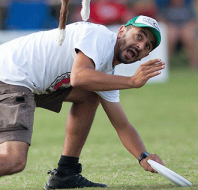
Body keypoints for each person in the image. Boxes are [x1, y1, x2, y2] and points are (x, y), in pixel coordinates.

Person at [0, 15, 165, 189]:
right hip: (10, 76)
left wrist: (144, 157)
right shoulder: (100, 37)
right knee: (14, 161)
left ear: (143, 57)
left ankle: (66, 173)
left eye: (148, 46)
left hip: (23, 81)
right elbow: (79, 77)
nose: (141, 46)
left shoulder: (105, 71)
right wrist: (132, 81)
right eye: (139, 36)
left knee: (89, 95)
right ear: (122, 30)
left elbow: (122, 125)